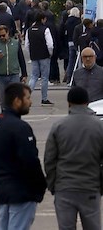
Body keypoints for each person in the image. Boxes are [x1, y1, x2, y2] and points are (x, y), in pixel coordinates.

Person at [0, 83, 47, 230]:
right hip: (22, 191)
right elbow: (30, 160)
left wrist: (1, 172)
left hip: (2, 189)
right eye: (28, 98)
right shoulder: (20, 127)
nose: (30, 102)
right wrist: (41, 185)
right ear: (17, 101)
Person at [44, 86, 103, 230]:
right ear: (88, 102)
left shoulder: (58, 126)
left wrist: (53, 185)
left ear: (69, 103)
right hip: (90, 187)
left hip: (65, 188)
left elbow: (49, 160)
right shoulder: (99, 126)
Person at [0, 26, 28, 110]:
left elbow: (21, 59)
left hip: (14, 75)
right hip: (1, 76)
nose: (2, 38)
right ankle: (4, 115)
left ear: (8, 33)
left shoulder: (16, 43)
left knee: (15, 98)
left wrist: (24, 74)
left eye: (3, 35)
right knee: (3, 100)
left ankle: (15, 116)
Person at [26, 12, 54, 106]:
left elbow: (27, 44)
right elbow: (49, 44)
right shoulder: (45, 29)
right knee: (44, 78)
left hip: (34, 55)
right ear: (42, 19)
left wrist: (30, 53)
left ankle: (27, 96)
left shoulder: (29, 30)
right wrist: (50, 53)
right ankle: (44, 98)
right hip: (44, 55)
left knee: (34, 76)